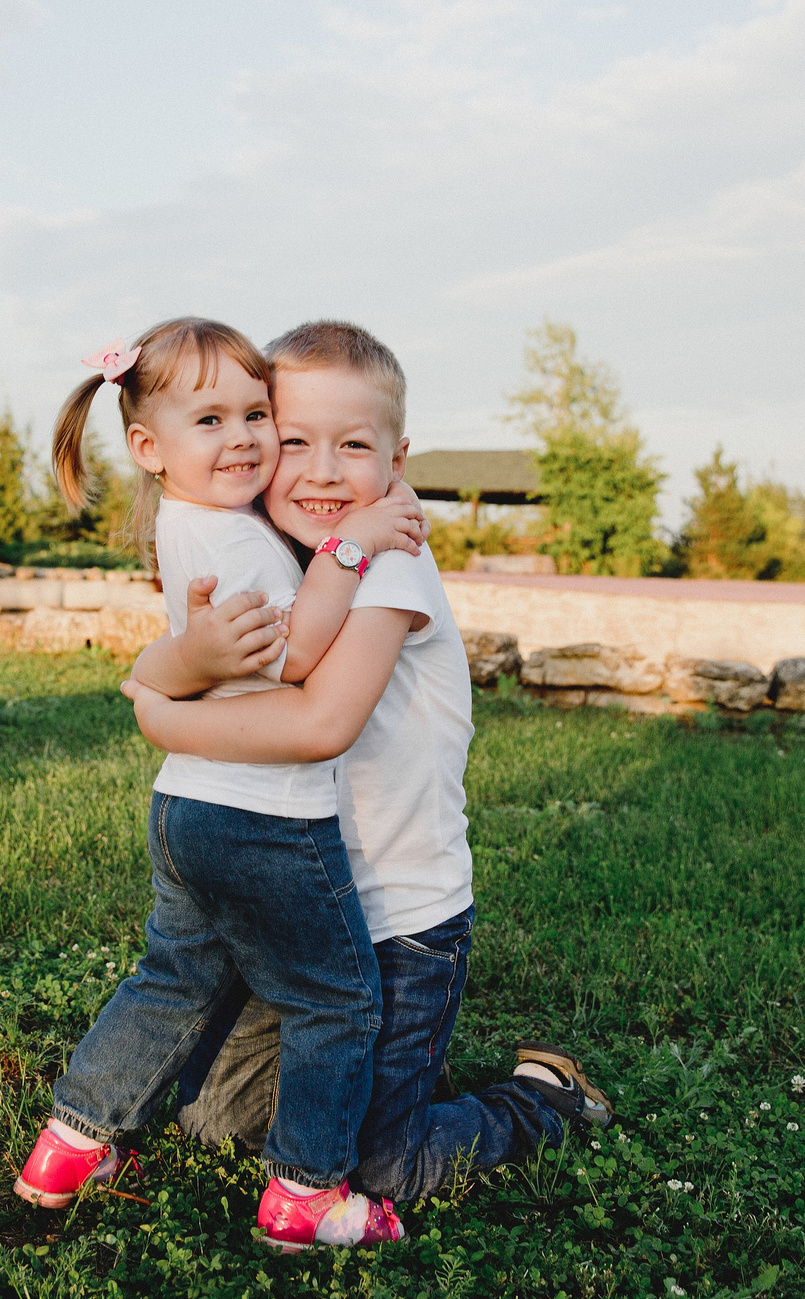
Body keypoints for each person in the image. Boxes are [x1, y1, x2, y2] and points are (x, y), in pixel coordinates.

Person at [122, 320, 614, 1215]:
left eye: (353, 445)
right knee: (217, 1118)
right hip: (302, 907)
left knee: (381, 1167)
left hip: (399, 918)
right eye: (292, 438)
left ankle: (541, 1097)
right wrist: (165, 676)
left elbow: (320, 720)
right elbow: (168, 658)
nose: (318, 470)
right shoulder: (283, 562)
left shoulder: (389, 559)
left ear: (398, 456)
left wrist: (164, 720)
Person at [9, 317, 427, 1251]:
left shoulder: (191, 523)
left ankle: (71, 1143)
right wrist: (351, 546)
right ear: (150, 449)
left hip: (185, 805)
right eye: (211, 420)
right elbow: (299, 653)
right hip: (269, 817)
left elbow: (195, 661)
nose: (241, 438)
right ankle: (307, 1192)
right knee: (337, 1000)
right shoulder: (238, 545)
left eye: (254, 414)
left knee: (172, 977)